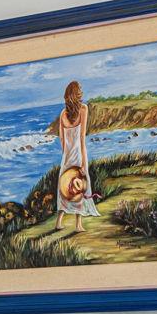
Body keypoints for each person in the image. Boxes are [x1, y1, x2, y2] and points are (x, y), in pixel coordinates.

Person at [51, 80, 99, 232]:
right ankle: (78, 224)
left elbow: (62, 139)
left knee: (64, 189)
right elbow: (82, 140)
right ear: (77, 95)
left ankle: (59, 221)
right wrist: (84, 164)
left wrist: (66, 153)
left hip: (66, 156)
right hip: (78, 155)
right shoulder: (83, 109)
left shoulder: (63, 114)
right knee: (80, 188)